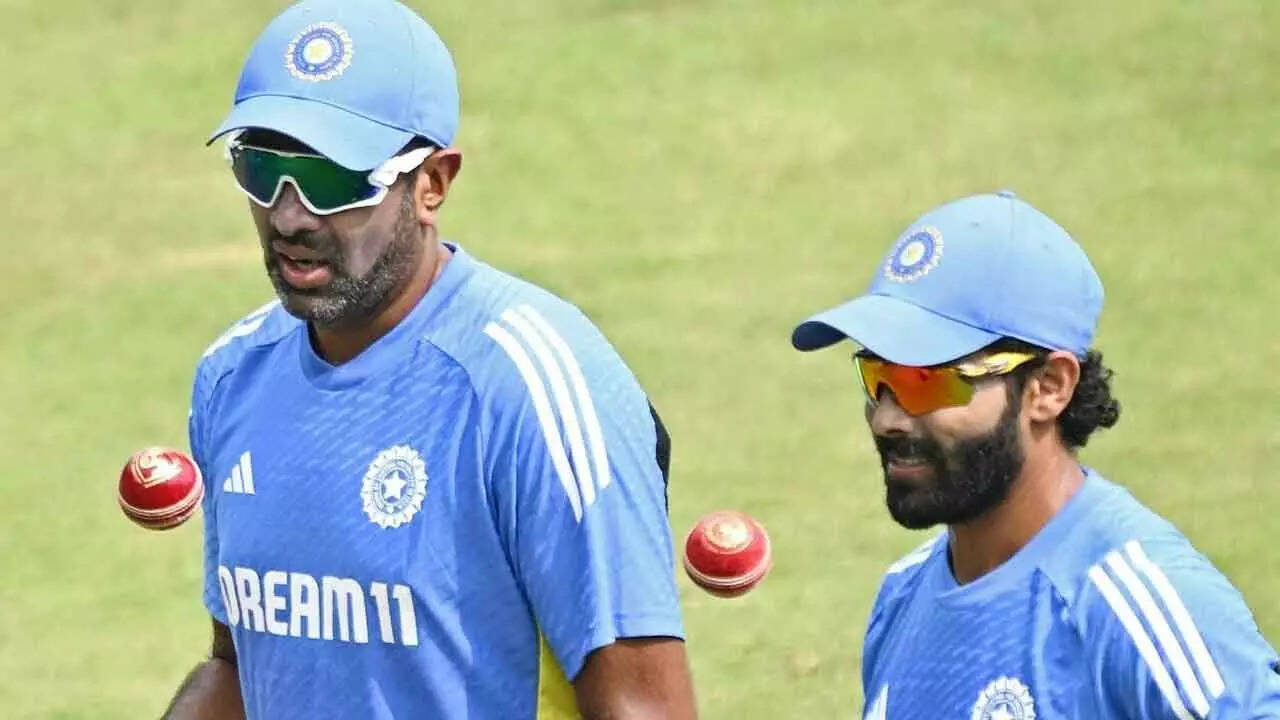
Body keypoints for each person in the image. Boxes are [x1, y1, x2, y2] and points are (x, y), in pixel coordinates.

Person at [163, 1, 695, 718]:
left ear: (433, 183)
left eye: (331, 180)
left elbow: (643, 707)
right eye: (262, 170)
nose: (290, 216)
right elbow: (242, 667)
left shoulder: (534, 386)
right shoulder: (233, 377)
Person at [791, 191, 1280, 719]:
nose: (886, 418)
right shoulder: (902, 596)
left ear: (1048, 387)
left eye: (926, 380)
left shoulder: (1133, 603)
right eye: (877, 377)